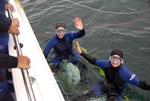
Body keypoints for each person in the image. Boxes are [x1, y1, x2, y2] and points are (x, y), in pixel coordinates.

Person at [75, 41, 150, 101]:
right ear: (110, 59)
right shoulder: (106, 64)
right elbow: (93, 61)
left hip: (116, 92)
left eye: (118, 59)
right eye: (113, 58)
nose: (115, 62)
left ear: (121, 61)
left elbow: (141, 84)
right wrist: (82, 53)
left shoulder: (125, 73)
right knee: (85, 96)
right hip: (104, 85)